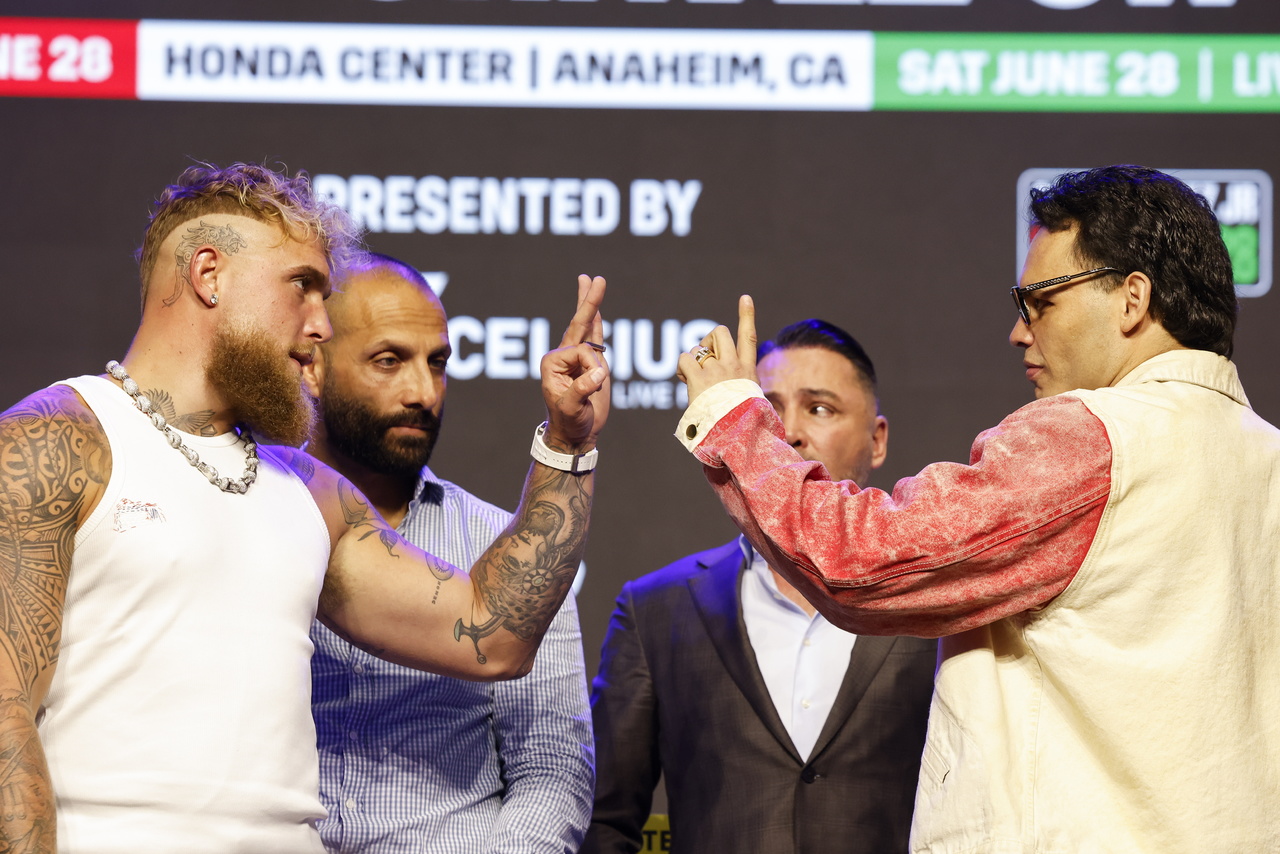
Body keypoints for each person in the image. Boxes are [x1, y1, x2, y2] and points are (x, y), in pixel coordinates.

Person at [0, 163, 608, 854]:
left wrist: (568, 443)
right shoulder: (57, 443)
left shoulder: (309, 491)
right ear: (209, 274)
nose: (321, 325)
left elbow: (491, 634)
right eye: (303, 286)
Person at [673, 165, 1280, 852]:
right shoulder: (1263, 456)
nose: (1019, 332)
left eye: (1040, 301)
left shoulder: (1090, 439)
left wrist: (733, 417)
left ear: (1131, 299)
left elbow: (859, 561)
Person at [586, 320, 937, 854]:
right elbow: (603, 821)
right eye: (764, 408)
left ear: (877, 439)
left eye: (819, 408)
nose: (787, 432)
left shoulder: (933, 600)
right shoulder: (656, 608)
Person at [302, 254, 593, 853]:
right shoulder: (254, 521)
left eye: (437, 363)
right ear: (313, 365)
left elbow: (552, 765)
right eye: (389, 361)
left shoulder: (514, 552)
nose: (423, 393)